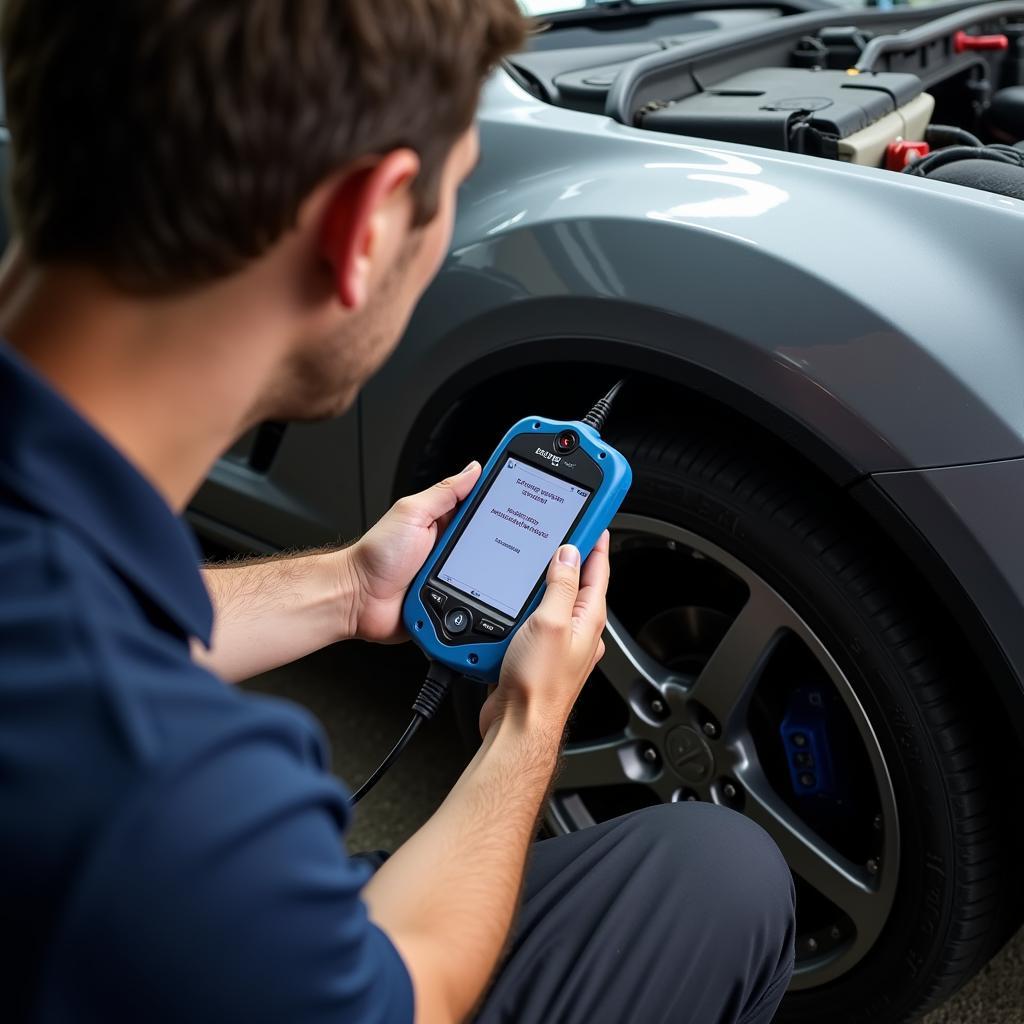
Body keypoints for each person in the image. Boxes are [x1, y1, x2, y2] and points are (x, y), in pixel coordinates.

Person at [0, 2, 795, 1022]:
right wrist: (526, 726)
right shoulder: (173, 800)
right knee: (725, 879)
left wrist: (344, 589)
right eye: (450, 197)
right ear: (363, 226)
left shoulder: (72, 650)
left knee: (704, 875)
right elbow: (408, 992)